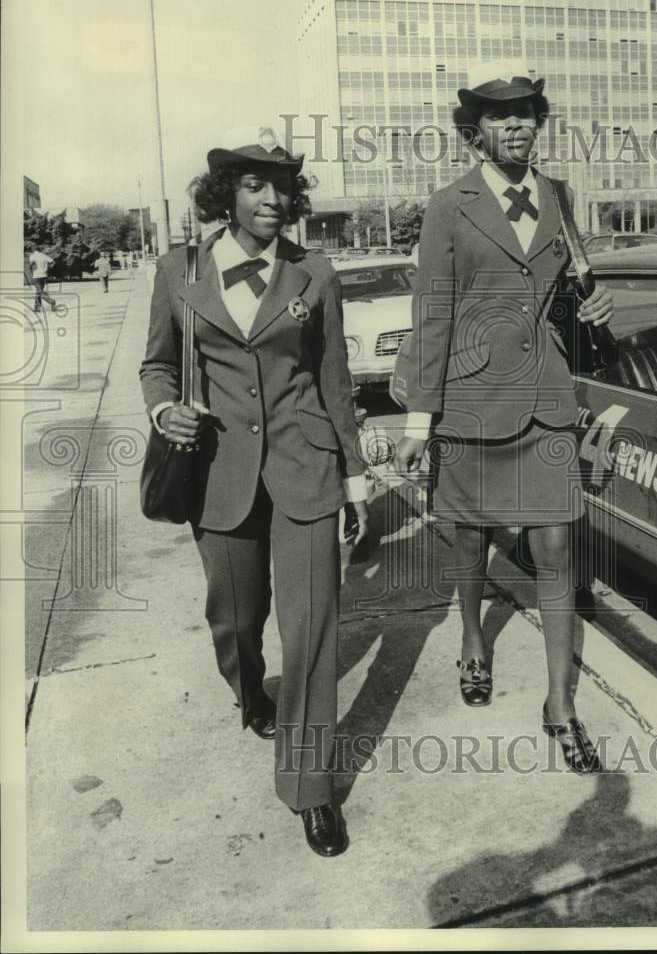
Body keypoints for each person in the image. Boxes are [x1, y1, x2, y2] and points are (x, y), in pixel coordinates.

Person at [139, 123, 369, 857]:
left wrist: (356, 475)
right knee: (236, 619)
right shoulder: (181, 272)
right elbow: (156, 365)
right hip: (217, 473)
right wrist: (161, 408)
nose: (272, 199)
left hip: (306, 466)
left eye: (282, 187)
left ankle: (309, 786)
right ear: (225, 196)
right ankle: (250, 692)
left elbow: (334, 382)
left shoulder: (316, 273)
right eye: (253, 185)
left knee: (312, 630)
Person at [394, 62, 614, 773]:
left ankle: (560, 706)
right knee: (467, 542)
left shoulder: (558, 195)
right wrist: (417, 422)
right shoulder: (446, 205)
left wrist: (595, 311)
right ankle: (469, 636)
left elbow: (565, 294)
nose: (516, 123)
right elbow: (430, 314)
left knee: (554, 549)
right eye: (499, 115)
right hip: (469, 402)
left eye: (526, 112)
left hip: (545, 399)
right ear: (473, 132)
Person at [26, 245, 57, 312]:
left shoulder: (32, 256)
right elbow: (53, 262)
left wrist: (31, 272)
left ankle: (52, 302)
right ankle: (37, 308)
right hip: (44, 276)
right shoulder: (43, 255)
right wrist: (49, 268)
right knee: (38, 292)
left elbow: (31, 266)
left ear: (32, 250)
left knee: (40, 292)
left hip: (36, 276)